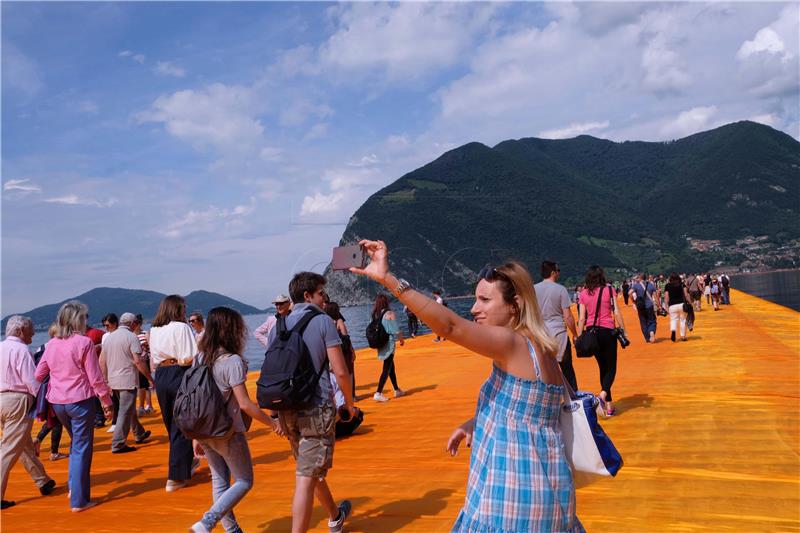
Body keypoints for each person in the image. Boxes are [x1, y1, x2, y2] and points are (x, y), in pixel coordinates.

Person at [350, 240, 583, 531]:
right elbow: (529, 410)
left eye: (485, 300)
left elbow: (450, 326)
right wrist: (476, 421)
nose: (474, 308)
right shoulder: (542, 350)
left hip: (512, 499)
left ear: (515, 305)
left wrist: (387, 278)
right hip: (549, 492)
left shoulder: (513, 344)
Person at [268, 272, 355, 533]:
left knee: (309, 468)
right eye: (321, 294)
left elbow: (273, 372)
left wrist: (275, 415)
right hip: (316, 408)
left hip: (287, 409)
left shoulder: (277, 327)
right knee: (305, 477)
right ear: (308, 295)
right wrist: (349, 404)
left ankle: (335, 516)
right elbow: (340, 370)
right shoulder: (323, 322)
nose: (324, 299)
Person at [189, 307, 284, 533]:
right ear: (232, 331)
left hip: (204, 429)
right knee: (244, 481)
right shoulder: (231, 360)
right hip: (227, 431)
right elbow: (245, 404)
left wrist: (195, 436)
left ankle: (231, 530)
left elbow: (195, 397)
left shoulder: (199, 357)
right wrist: (273, 423)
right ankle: (207, 522)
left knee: (220, 481)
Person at [35, 301, 114, 512]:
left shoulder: (51, 344)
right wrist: (107, 403)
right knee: (81, 448)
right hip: (80, 401)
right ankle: (79, 500)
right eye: (85, 317)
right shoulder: (84, 343)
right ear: (78, 319)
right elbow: (96, 378)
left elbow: (38, 374)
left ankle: (74, 488)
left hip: (58, 403)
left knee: (76, 445)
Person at [1, 316, 57, 510]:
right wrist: (47, 402)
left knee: (22, 444)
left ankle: (42, 480)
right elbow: (31, 382)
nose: (34, 332)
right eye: (31, 329)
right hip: (17, 400)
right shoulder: (22, 350)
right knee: (8, 450)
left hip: (1, 400)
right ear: (21, 331)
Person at [149, 295, 199, 492]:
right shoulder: (182, 327)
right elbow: (189, 357)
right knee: (182, 422)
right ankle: (176, 477)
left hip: (161, 374)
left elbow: (153, 357)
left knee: (170, 421)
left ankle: (186, 463)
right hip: (179, 373)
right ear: (177, 309)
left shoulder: (155, 330)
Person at [99, 313, 153, 453]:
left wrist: (105, 381)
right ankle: (118, 443)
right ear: (132, 323)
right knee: (124, 411)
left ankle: (139, 433)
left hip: (113, 380)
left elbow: (102, 361)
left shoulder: (110, 338)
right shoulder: (132, 337)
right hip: (127, 379)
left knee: (127, 408)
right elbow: (138, 360)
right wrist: (149, 378)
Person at [578, 266, 627, 416]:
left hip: (592, 333)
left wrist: (580, 337)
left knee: (603, 368)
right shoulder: (609, 290)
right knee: (611, 367)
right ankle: (602, 396)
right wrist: (623, 331)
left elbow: (581, 318)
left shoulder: (583, 293)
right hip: (607, 331)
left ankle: (609, 407)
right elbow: (616, 312)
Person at [534, 260, 579, 391]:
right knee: (567, 369)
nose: (559, 273)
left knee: (546, 370)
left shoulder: (533, 289)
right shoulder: (560, 290)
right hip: (559, 335)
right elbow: (568, 317)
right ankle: (573, 398)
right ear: (553, 272)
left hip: (541, 335)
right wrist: (575, 335)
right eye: (558, 271)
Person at [32, 324, 68, 462]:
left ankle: (40, 440)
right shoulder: (57, 348)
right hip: (55, 387)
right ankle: (53, 451)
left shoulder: (41, 347)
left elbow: (36, 369)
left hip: (42, 387)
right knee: (56, 419)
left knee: (53, 418)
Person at [371, 294, 405, 402]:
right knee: (386, 368)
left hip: (380, 344)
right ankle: (378, 392)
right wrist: (401, 339)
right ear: (386, 302)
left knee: (390, 366)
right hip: (389, 343)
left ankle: (397, 389)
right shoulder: (389, 313)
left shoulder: (375, 315)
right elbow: (396, 329)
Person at [325, 302, 356, 399]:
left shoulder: (326, 322)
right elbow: (346, 338)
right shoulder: (339, 322)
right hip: (343, 354)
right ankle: (349, 397)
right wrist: (352, 351)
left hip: (331, 353)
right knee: (348, 374)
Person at [132, 314, 153, 416]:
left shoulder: (145, 333)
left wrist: (146, 347)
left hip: (146, 360)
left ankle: (148, 405)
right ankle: (143, 406)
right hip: (136, 362)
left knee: (145, 384)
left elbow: (151, 346)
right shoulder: (131, 335)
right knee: (141, 384)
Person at [629, 273, 657, 343]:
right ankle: (651, 331)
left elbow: (629, 293)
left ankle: (647, 338)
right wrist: (659, 305)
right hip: (650, 305)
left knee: (643, 321)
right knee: (652, 320)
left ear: (640, 278)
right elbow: (656, 296)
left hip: (641, 306)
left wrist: (633, 301)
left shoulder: (636, 285)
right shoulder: (651, 285)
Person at [663, 273, 690, 342]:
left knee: (673, 320)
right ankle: (683, 336)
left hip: (672, 305)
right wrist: (690, 302)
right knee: (683, 320)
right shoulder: (682, 284)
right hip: (682, 304)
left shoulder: (667, 286)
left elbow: (666, 297)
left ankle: (673, 331)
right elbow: (686, 295)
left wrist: (666, 306)